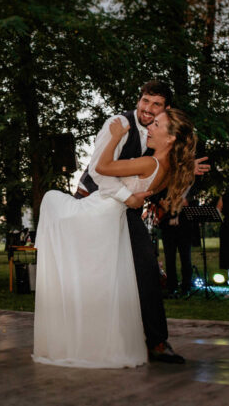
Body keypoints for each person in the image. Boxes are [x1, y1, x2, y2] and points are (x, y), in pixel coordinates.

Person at [32, 107, 197, 368]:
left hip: (102, 212)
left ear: (171, 138)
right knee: (103, 278)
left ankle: (84, 335)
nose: (150, 127)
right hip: (113, 215)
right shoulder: (166, 168)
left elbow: (101, 167)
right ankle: (96, 337)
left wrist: (115, 137)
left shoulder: (151, 163)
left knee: (52, 200)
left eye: (157, 125)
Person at [74, 80, 208, 364]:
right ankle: (90, 339)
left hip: (126, 210)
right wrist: (129, 198)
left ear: (165, 109)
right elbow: (98, 172)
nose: (148, 109)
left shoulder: (158, 132)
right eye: (145, 101)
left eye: (156, 105)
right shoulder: (119, 125)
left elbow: (157, 171)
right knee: (96, 276)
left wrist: (184, 167)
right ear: (139, 99)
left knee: (146, 268)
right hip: (94, 203)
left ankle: (156, 342)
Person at [159, 190, 199, 298]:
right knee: (169, 260)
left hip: (184, 229)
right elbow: (161, 203)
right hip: (168, 229)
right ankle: (172, 287)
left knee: (186, 259)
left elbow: (189, 204)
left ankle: (186, 287)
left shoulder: (188, 191)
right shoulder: (165, 190)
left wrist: (180, 202)